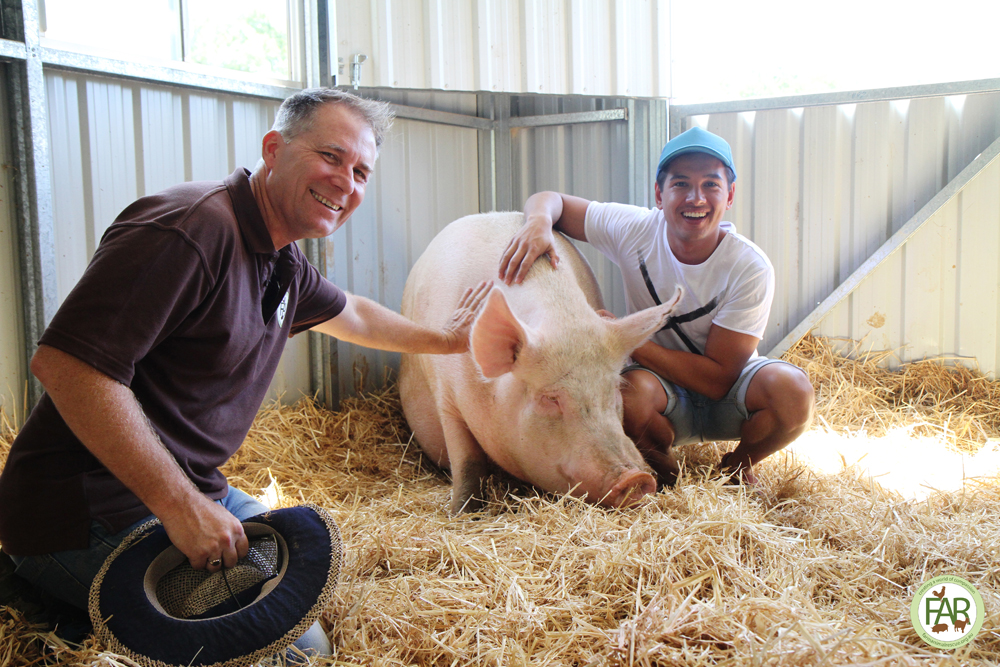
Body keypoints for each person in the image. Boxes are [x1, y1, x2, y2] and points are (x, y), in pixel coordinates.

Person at [0, 88, 490, 656]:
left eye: (361, 171)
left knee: (313, 583)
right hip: (84, 509)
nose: (346, 183)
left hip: (193, 489)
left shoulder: (280, 256)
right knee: (293, 649)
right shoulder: (190, 229)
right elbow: (65, 366)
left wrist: (449, 340)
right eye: (331, 157)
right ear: (274, 149)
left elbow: (352, 314)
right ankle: (43, 590)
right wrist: (182, 510)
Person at [498, 126, 814, 487]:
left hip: (728, 392)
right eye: (680, 184)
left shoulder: (749, 266)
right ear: (659, 194)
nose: (696, 198)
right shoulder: (635, 229)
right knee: (626, 399)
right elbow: (550, 198)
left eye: (711, 184)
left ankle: (737, 467)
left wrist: (624, 340)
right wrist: (538, 222)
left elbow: (717, 379)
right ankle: (663, 476)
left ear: (729, 196)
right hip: (659, 390)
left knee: (793, 392)